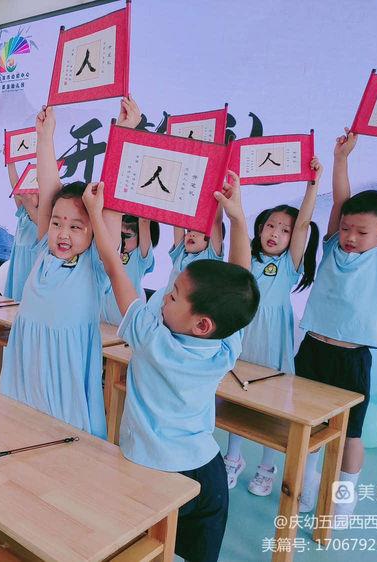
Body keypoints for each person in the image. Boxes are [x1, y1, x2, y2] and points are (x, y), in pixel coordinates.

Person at [87, 166, 258, 562]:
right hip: (207, 472)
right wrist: (237, 218)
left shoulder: (151, 338)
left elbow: (114, 265)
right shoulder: (223, 347)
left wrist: (97, 213)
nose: (164, 296)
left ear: (202, 323)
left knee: (140, 551)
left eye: (175, 295)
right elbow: (241, 280)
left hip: (151, 471)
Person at [295, 128, 377, 525]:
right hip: (313, 349)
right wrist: (341, 158)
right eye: (346, 228)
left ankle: (344, 498)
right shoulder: (331, 245)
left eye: (361, 232)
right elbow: (342, 202)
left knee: (350, 436)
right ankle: (307, 485)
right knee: (307, 426)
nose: (350, 237)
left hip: (351, 359)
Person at [0, 104, 122, 439]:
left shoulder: (95, 264)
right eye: (56, 223)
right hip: (27, 362)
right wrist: (45, 137)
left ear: (93, 231)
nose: (63, 233)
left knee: (63, 439)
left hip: (64, 372)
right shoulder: (43, 248)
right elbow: (49, 184)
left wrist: (124, 133)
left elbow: (110, 214)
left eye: (76, 226)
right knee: (18, 431)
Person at [224, 157, 322, 496]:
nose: (275, 233)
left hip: (274, 341)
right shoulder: (248, 259)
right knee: (237, 396)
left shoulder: (290, 264)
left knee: (274, 403)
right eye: (270, 226)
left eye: (284, 230)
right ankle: (232, 459)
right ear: (260, 227)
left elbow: (304, 222)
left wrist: (312, 185)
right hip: (244, 336)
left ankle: (267, 467)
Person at [100, 214, 158, 325]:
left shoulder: (139, 258)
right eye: (119, 234)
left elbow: (144, 221)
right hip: (101, 322)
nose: (122, 240)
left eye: (127, 235)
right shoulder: (111, 251)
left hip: (124, 325)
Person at [3, 161, 39, 300]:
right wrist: (10, 162)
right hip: (18, 262)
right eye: (26, 191)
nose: (26, 195)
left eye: (32, 193)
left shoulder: (43, 217)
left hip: (31, 264)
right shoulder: (23, 211)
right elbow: (15, 185)